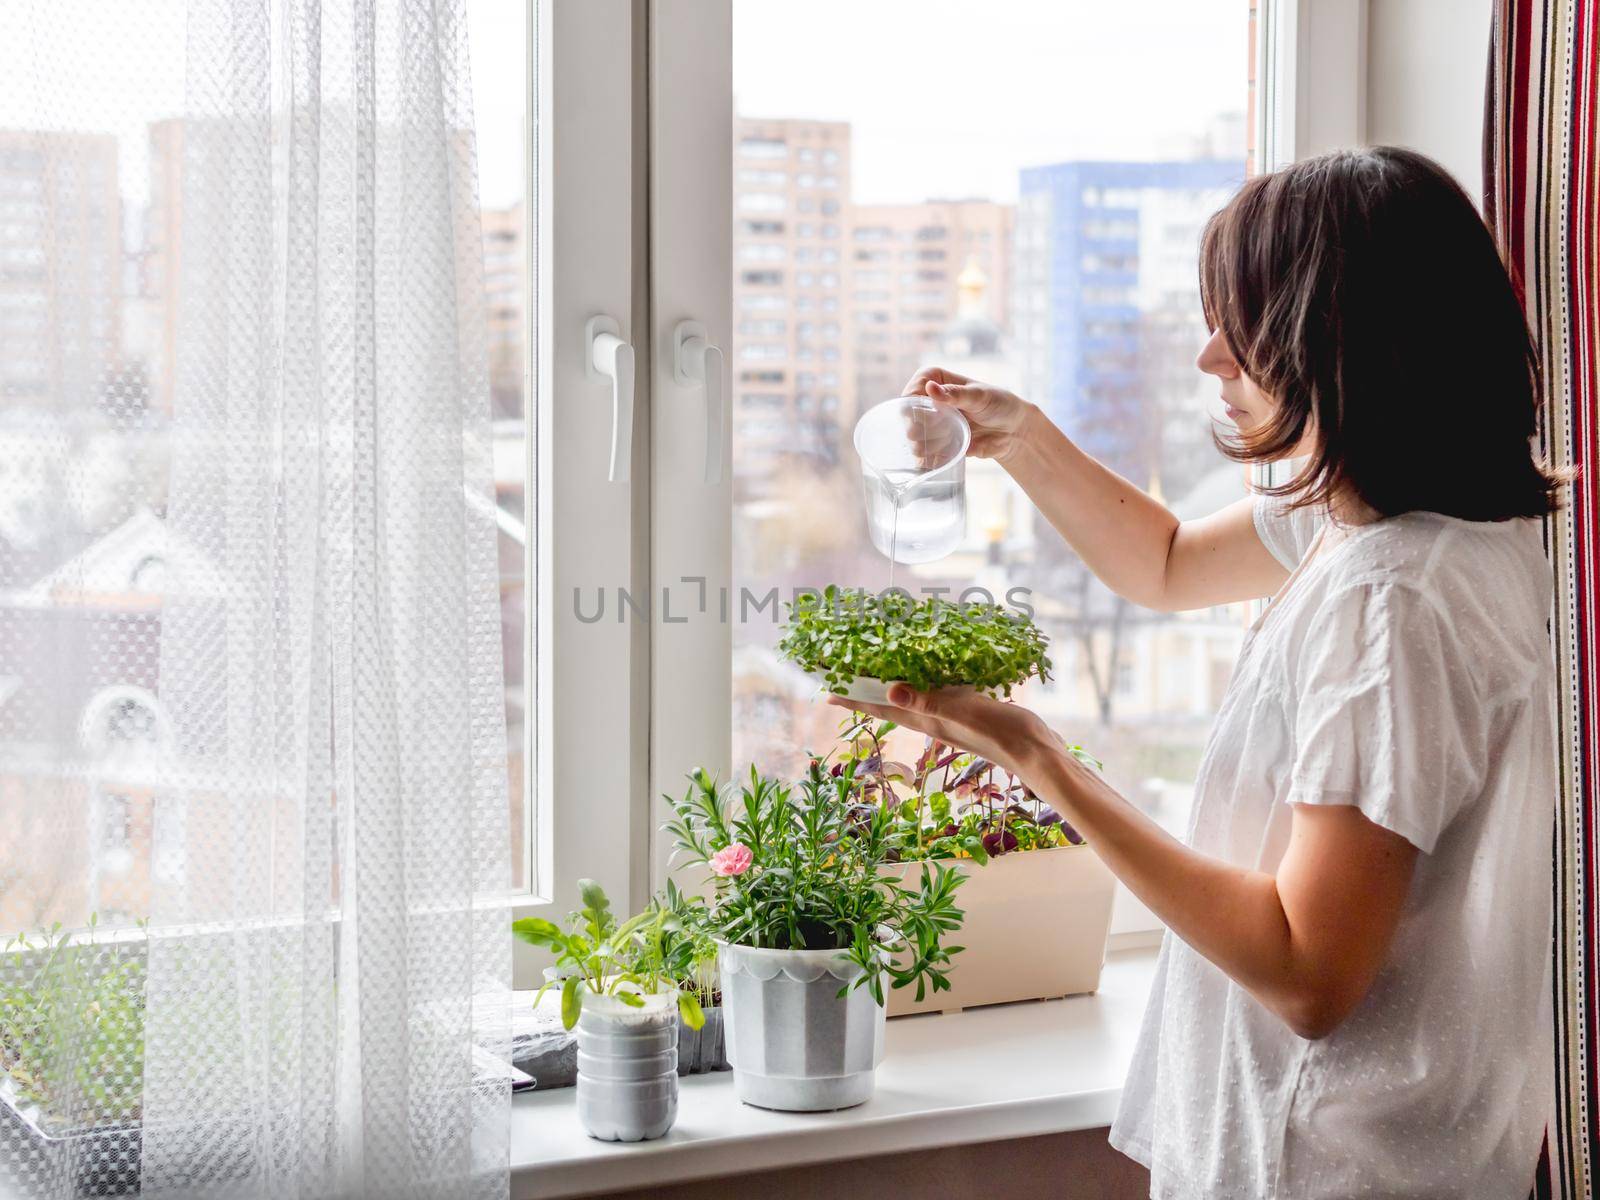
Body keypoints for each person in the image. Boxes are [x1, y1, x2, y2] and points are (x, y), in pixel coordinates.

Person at [831, 146, 1562, 1198]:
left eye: (1244, 325)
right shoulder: (1400, 519)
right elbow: (1165, 564)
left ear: (1340, 338)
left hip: (1331, 1162)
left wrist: (1037, 757)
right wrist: (1019, 436)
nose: (1211, 357)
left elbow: (1308, 972)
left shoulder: (1394, 598)